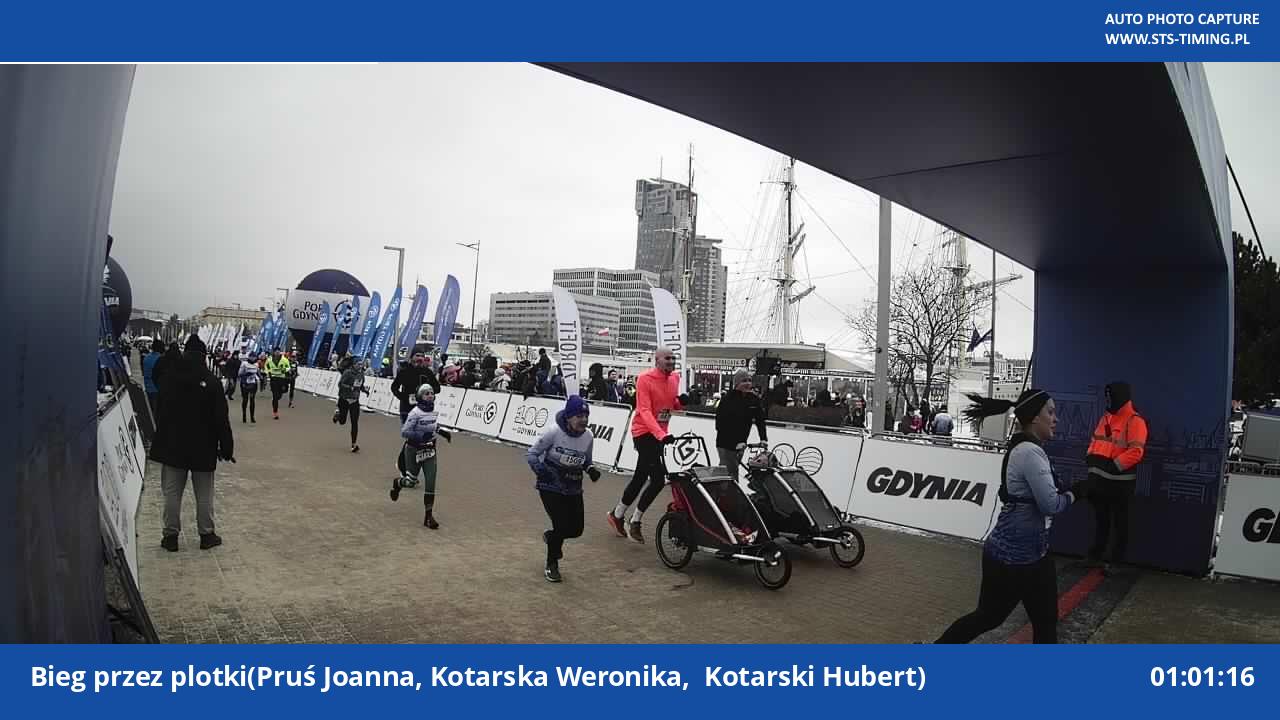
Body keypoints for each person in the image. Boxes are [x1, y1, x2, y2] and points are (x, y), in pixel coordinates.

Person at [935, 389, 1080, 644]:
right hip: (1019, 558)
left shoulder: (1024, 447)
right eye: (1050, 412)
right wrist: (1075, 494)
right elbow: (1050, 504)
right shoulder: (1029, 452)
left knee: (1013, 620)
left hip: (1022, 553)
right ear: (1034, 418)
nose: (1055, 419)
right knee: (1006, 620)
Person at [150, 334, 234, 552]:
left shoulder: (169, 378)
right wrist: (226, 447)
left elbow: (159, 410)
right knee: (204, 495)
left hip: (172, 446)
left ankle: (170, 537)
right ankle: (206, 534)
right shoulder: (212, 382)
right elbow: (221, 419)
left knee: (172, 493)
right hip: (203, 448)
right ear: (203, 356)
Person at [607, 349, 685, 542]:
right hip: (643, 432)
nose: (671, 361)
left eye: (673, 358)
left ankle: (617, 514)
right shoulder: (645, 379)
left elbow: (670, 406)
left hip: (660, 434)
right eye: (667, 358)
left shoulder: (675, 378)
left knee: (641, 477)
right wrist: (660, 434)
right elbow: (644, 410)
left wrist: (681, 403)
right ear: (657, 360)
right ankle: (635, 521)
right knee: (658, 479)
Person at [528, 395, 601, 582]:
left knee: (576, 530)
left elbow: (586, 460)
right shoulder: (554, 432)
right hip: (550, 486)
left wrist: (591, 470)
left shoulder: (588, 436)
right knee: (560, 525)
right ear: (568, 417)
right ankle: (551, 564)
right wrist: (542, 471)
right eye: (579, 416)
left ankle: (551, 537)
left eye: (586, 416)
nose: (583, 420)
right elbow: (532, 454)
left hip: (574, 486)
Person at [1083, 381, 1148, 569]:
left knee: (1120, 523)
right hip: (1099, 481)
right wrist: (1090, 457)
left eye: (1111, 396)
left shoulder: (1135, 421)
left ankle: (1116, 562)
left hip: (1120, 483)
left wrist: (1113, 466)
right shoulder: (1106, 418)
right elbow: (1095, 440)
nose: (1108, 400)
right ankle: (1095, 556)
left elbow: (1136, 452)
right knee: (1101, 521)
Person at [392, 385, 453, 529]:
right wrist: (420, 436)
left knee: (431, 483)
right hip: (413, 450)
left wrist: (442, 432)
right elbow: (405, 432)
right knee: (410, 482)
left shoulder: (431, 411)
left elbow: (432, 424)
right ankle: (398, 483)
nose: (430, 395)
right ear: (420, 397)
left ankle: (428, 516)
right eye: (426, 394)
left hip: (430, 450)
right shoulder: (415, 413)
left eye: (431, 393)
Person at [715, 369, 768, 482]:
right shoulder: (728, 399)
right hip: (726, 443)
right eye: (744, 381)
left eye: (749, 380)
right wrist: (735, 442)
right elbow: (720, 424)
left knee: (732, 469)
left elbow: (760, 420)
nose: (748, 383)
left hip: (741, 443)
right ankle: (726, 491)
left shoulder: (753, 400)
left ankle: (724, 489)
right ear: (737, 383)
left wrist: (763, 438)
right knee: (730, 472)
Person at [391, 352, 440, 425]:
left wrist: (428, 393)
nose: (420, 358)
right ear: (411, 357)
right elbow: (394, 387)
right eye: (417, 355)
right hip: (407, 408)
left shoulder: (428, 372)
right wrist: (403, 397)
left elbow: (437, 388)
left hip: (424, 408)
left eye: (422, 356)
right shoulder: (404, 371)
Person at [333, 356, 370, 452]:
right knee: (342, 422)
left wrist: (365, 390)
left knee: (354, 422)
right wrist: (350, 387)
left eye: (361, 364)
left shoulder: (361, 374)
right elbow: (340, 384)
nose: (360, 366)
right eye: (358, 364)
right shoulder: (347, 372)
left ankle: (353, 444)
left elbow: (360, 385)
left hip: (354, 401)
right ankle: (338, 415)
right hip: (344, 399)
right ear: (354, 365)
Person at [264, 348, 292, 420]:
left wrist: (284, 370)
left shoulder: (284, 360)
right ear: (274, 352)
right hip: (273, 378)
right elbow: (266, 366)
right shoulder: (269, 360)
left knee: (280, 394)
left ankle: (276, 398)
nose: (277, 353)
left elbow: (288, 367)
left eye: (278, 352)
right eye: (276, 352)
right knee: (275, 396)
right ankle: (275, 413)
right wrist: (268, 372)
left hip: (282, 378)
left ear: (280, 352)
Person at [142, 338, 165, 417]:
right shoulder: (161, 359)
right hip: (157, 389)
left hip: (147, 387)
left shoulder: (146, 358)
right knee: (157, 413)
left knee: (150, 411)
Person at [237, 352, 262, 423]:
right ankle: (244, 415)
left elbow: (258, 372)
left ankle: (252, 417)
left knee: (252, 400)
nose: (253, 358)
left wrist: (261, 377)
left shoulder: (256, 364)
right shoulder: (244, 364)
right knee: (245, 400)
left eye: (254, 357)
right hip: (245, 384)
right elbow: (239, 374)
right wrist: (246, 374)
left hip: (253, 384)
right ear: (249, 357)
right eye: (251, 356)